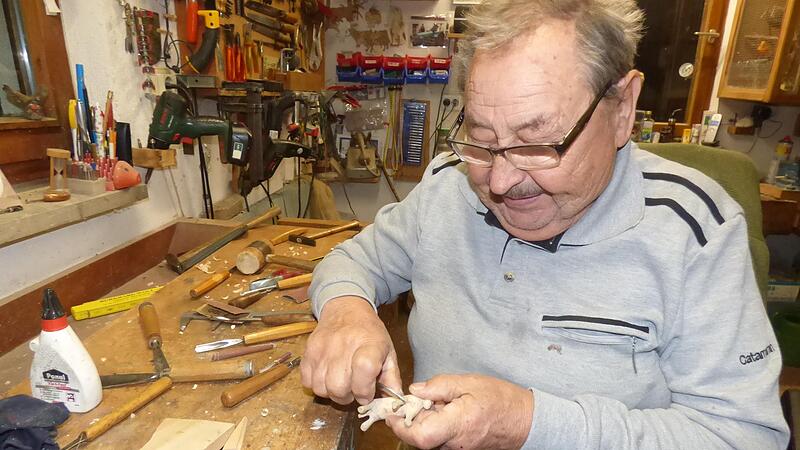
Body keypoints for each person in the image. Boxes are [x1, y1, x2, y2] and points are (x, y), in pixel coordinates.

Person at [301, 0, 790, 448]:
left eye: (537, 143)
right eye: (481, 136)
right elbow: (354, 259)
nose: (500, 180)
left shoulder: (697, 232)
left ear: (622, 108)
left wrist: (530, 424)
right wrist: (347, 311)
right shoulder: (449, 187)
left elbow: (744, 437)